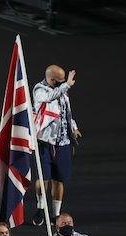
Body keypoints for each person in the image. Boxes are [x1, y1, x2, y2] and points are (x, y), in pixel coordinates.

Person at [31, 65, 81, 225]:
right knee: (43, 179)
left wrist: (74, 127)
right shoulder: (40, 90)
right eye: (60, 81)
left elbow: (66, 112)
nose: (62, 83)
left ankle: (55, 214)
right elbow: (51, 97)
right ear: (52, 79)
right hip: (45, 142)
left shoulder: (62, 90)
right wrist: (67, 84)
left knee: (59, 179)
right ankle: (40, 208)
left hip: (63, 143)